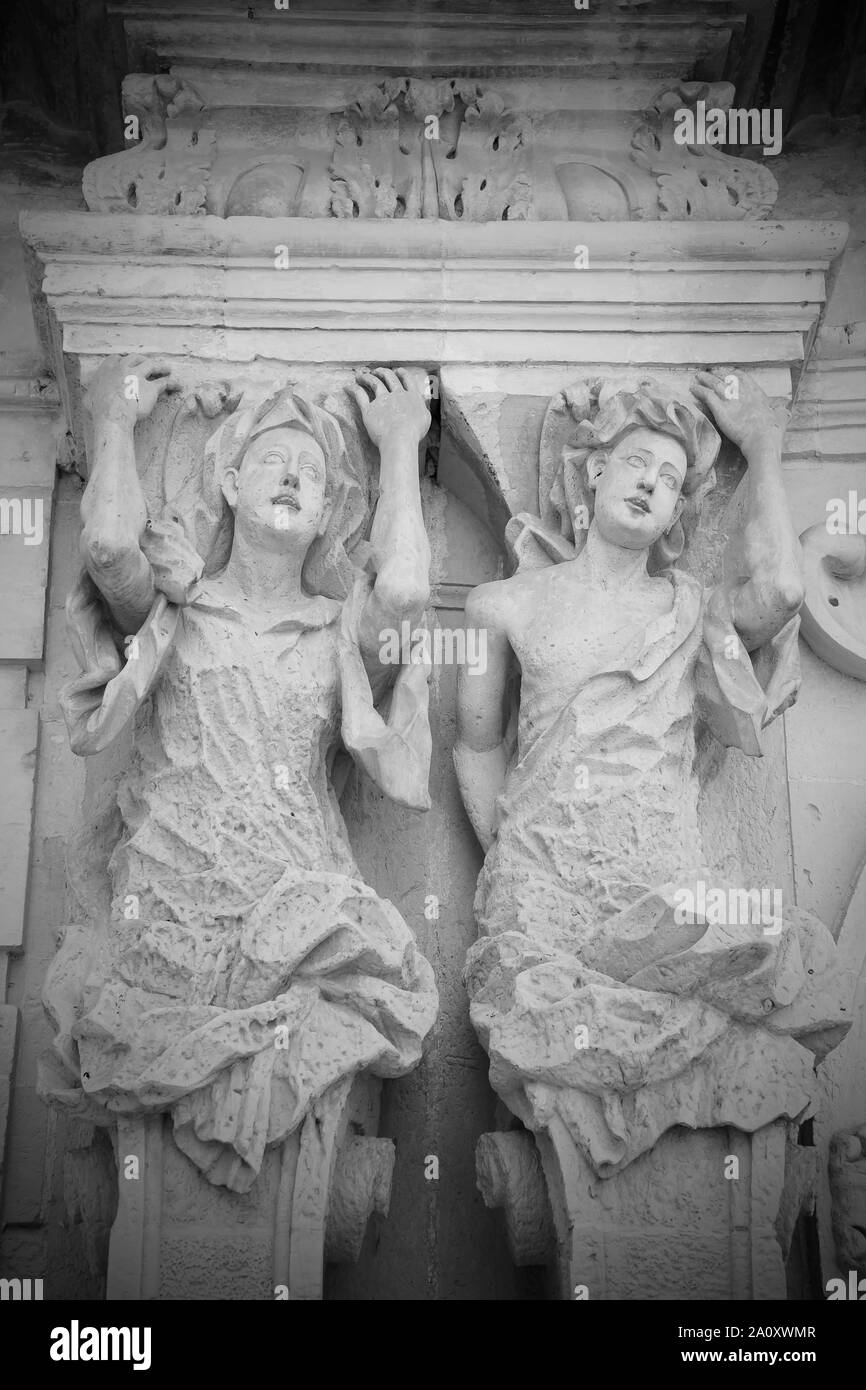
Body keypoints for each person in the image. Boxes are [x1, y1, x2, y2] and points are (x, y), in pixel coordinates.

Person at [43, 358, 438, 1194]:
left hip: (294, 903)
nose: (293, 475)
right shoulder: (178, 604)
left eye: (313, 471)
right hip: (173, 898)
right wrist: (114, 419)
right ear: (227, 479)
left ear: (330, 508)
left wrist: (401, 444)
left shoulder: (337, 627)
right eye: (272, 458)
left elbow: (404, 594)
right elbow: (110, 545)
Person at [454, 371, 850, 1176]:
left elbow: (777, 588)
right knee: (556, 1029)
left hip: (659, 874)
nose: (650, 484)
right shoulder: (503, 605)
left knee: (762, 981)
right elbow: (474, 743)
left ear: (680, 513)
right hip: (544, 879)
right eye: (637, 462)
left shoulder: (689, 608)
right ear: (595, 470)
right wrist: (516, 853)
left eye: (671, 481)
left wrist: (764, 445)